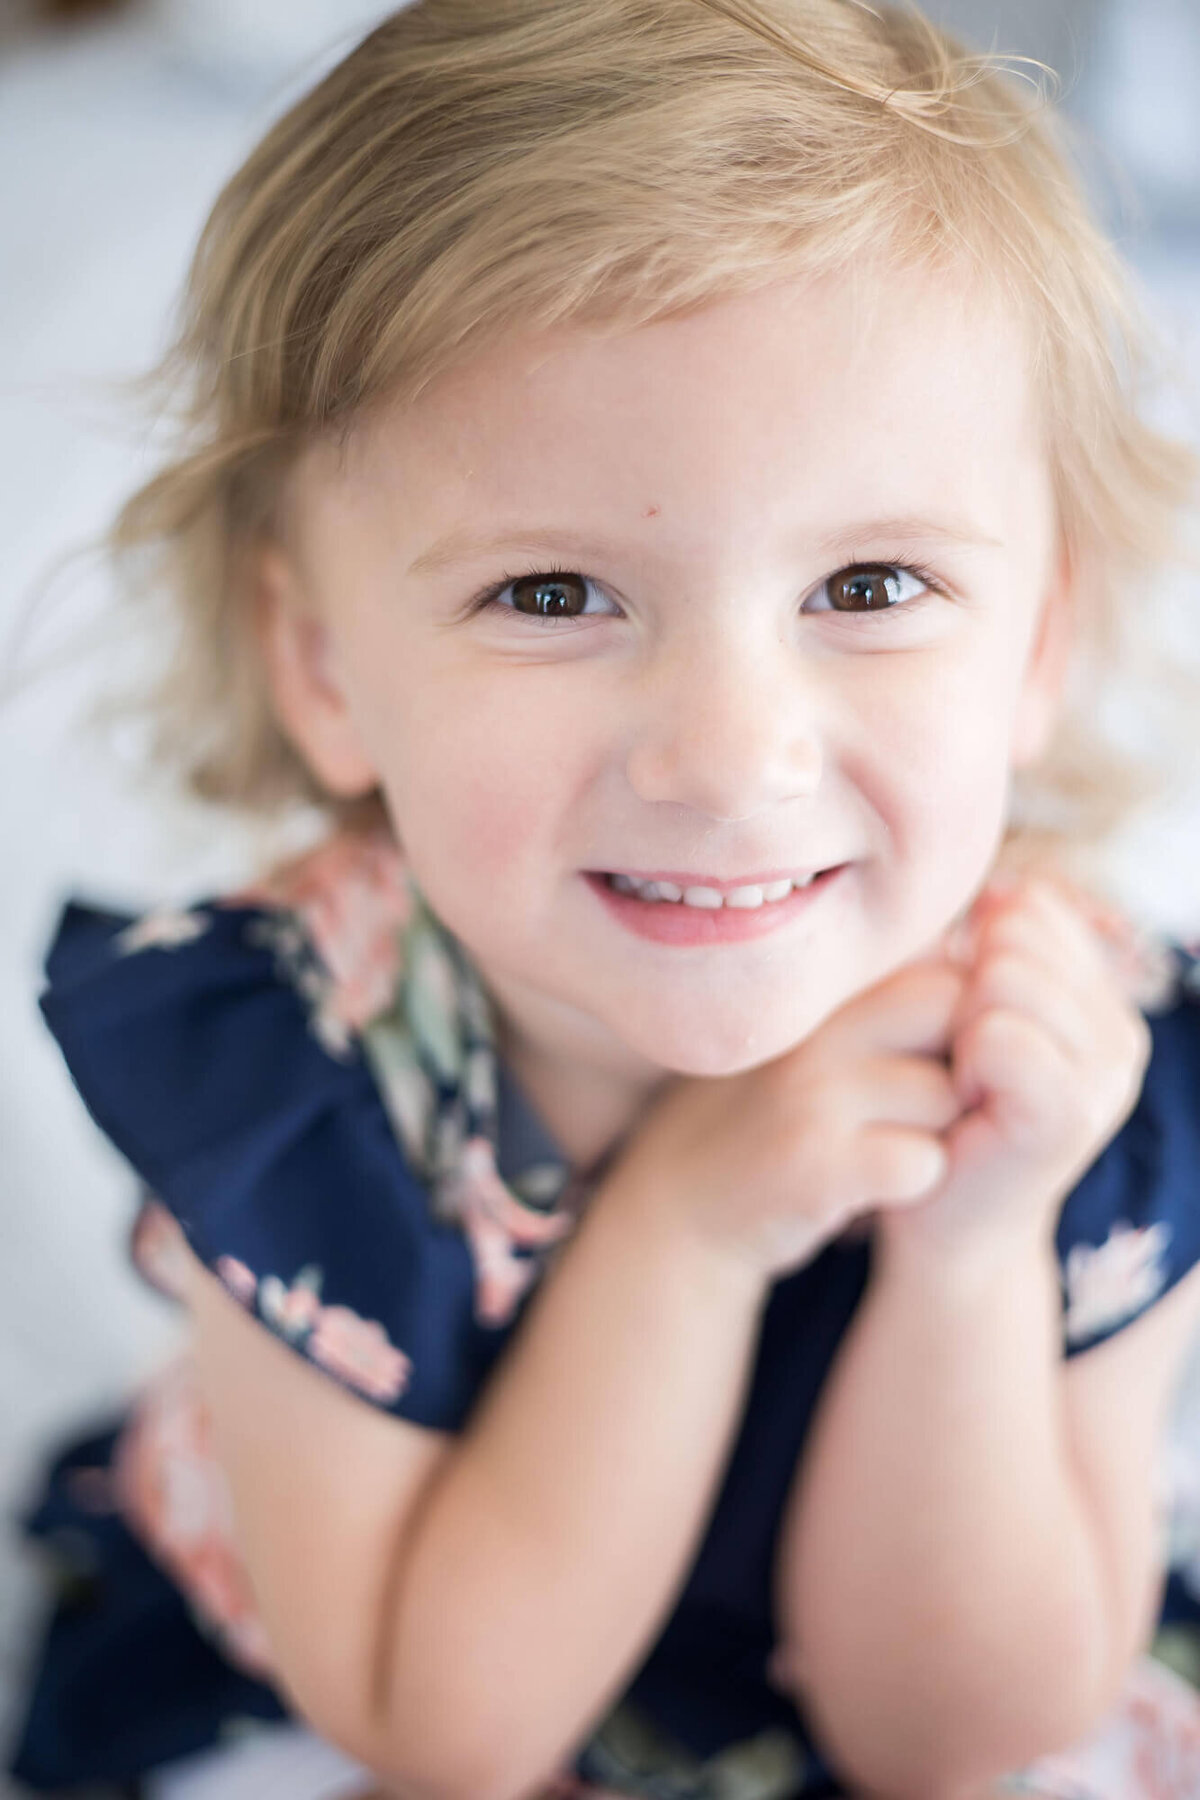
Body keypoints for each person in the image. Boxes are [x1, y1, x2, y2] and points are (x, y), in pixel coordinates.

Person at [10, 1, 1200, 1796]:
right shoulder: (301, 1059)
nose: (730, 760)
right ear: (324, 662)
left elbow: (964, 1743)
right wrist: (691, 1234)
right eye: (555, 595)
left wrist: (968, 1254)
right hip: (402, 1665)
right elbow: (444, 1728)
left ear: (1039, 644)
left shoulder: (1073, 1054)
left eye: (871, 581)